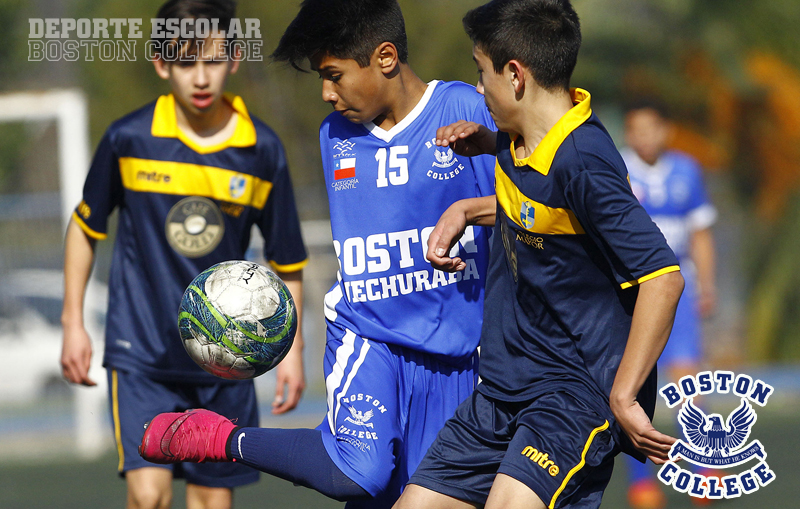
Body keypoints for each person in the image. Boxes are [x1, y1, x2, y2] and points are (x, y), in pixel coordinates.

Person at [138, 1, 497, 508]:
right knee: (358, 471)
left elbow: (530, 208)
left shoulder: (467, 110)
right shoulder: (337, 135)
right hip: (368, 336)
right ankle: (217, 437)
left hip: (460, 355)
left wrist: (469, 209)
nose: (327, 94)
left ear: (386, 57)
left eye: (334, 76)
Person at [390, 1, 686, 508]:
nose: (478, 88)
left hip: (574, 396)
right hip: (503, 389)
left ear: (515, 75)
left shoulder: (583, 160)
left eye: (481, 74)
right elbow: (535, 209)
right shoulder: (517, 137)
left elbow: (663, 277)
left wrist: (624, 394)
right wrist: (467, 206)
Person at [60, 1, 308, 508]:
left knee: (210, 503)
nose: (201, 76)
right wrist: (72, 322)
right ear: (161, 64)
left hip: (226, 360)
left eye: (213, 60)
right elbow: (85, 228)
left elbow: (287, 261)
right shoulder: (129, 138)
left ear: (234, 59)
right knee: (149, 496)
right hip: (143, 351)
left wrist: (293, 353)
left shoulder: (261, 150)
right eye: (186, 61)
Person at [621, 100, 718, 509]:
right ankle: (642, 480)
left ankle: (704, 470)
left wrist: (707, 285)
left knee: (688, 384)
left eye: (651, 128)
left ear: (666, 131)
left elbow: (700, 233)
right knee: (635, 385)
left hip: (681, 290)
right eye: (636, 129)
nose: (644, 137)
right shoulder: (618, 169)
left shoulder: (686, 171)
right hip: (636, 296)